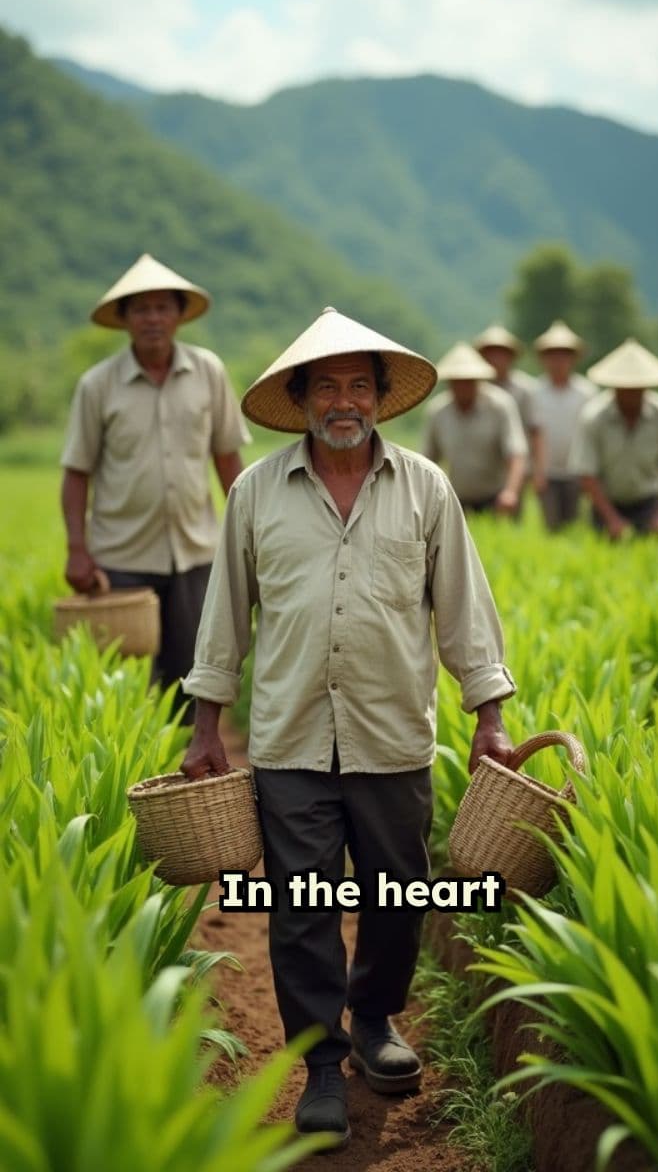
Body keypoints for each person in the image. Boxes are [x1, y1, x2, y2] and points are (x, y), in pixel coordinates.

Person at [180, 307, 516, 1147]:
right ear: (299, 400)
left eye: (358, 386)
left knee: (397, 894)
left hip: (393, 735)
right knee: (302, 907)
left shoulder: (425, 487)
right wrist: (206, 726)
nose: (343, 401)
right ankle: (322, 1064)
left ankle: (372, 1018)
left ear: (378, 397)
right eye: (325, 386)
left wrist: (490, 714)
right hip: (290, 737)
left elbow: (464, 610)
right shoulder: (256, 492)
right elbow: (225, 617)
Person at [61, 252, 250, 721]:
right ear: (124, 319)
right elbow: (77, 472)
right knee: (125, 689)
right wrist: (77, 549)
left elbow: (227, 457)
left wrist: (251, 534)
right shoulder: (97, 385)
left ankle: (187, 766)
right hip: (121, 560)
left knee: (193, 681)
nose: (153, 318)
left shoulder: (208, 371)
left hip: (195, 554)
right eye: (141, 309)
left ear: (179, 315)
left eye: (163, 307)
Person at [570, 338, 658, 538]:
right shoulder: (593, 416)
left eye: (637, 389)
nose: (631, 395)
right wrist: (612, 519)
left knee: (653, 542)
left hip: (648, 501)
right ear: (614, 388)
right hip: (606, 501)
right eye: (625, 389)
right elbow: (587, 475)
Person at [422, 341, 527, 515]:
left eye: (469, 381)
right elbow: (428, 459)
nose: (463, 387)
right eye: (457, 381)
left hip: (495, 498)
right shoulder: (438, 411)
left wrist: (510, 492)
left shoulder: (500, 405)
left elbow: (515, 453)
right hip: (456, 499)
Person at [532, 320, 595, 530]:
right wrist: (538, 472)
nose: (558, 362)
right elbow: (535, 433)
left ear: (573, 358)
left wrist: (588, 472)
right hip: (548, 472)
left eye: (564, 355)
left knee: (574, 525)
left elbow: (590, 435)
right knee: (551, 526)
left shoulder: (586, 392)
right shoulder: (536, 392)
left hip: (576, 470)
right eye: (552, 356)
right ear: (544, 359)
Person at [473, 325, 544, 497]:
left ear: (511, 357)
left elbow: (535, 430)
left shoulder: (525, 389)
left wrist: (539, 471)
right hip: (484, 468)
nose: (495, 359)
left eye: (501, 353)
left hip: (516, 463)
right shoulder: (475, 390)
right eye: (490, 353)